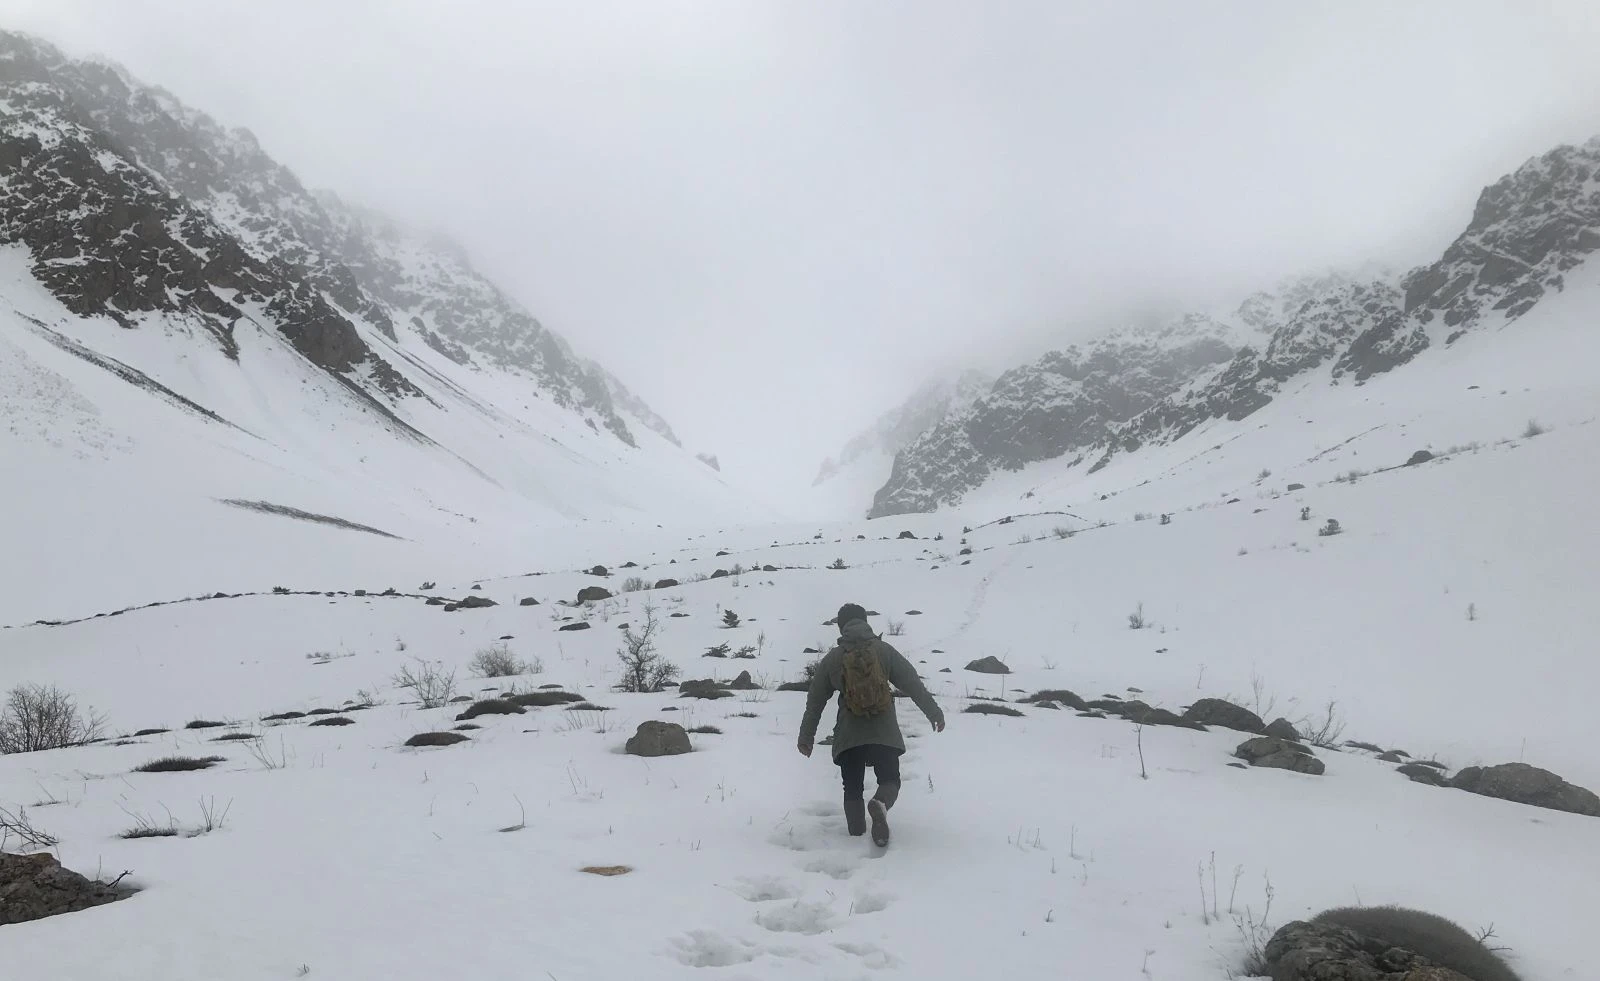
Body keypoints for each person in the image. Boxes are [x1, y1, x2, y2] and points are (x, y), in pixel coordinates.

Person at [798, 602, 945, 846]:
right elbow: (911, 682)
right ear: (865, 621)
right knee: (890, 780)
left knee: (852, 788)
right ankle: (881, 804)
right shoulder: (883, 650)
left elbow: (815, 701)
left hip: (849, 735)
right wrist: (934, 712)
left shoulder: (833, 659)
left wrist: (806, 737)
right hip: (883, 731)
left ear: (841, 625)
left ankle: (856, 840)